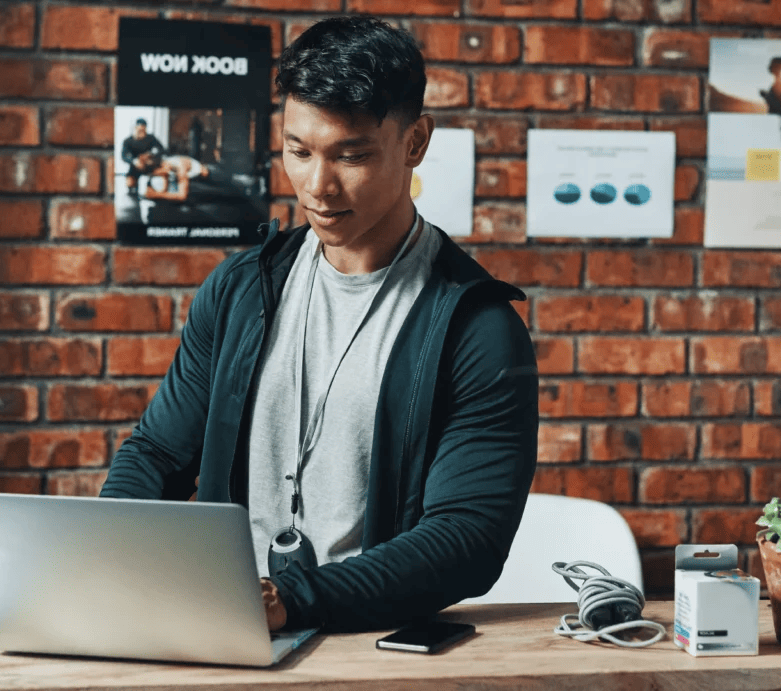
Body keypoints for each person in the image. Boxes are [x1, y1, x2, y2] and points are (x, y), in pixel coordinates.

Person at [100, 16, 538, 634]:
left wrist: (291, 599)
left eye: (351, 155)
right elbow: (157, 454)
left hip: (370, 645)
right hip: (229, 630)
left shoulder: (477, 328)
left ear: (415, 143)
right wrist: (101, 555)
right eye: (298, 151)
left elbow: (468, 538)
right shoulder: (238, 290)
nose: (316, 185)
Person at [121, 118, 165, 191]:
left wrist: (151, 155)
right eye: (139, 130)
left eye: (143, 130)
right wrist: (134, 161)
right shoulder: (128, 141)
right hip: (135, 166)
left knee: (155, 182)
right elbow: (123, 156)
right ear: (135, 128)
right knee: (130, 184)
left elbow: (162, 149)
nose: (141, 133)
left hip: (149, 165)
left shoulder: (150, 138)